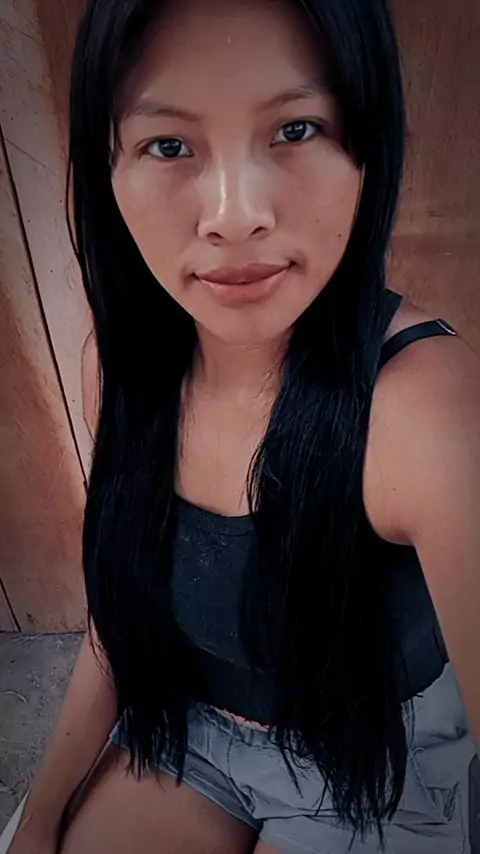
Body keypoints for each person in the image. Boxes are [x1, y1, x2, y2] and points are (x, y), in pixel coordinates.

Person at [8, 0, 480, 852]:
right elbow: (120, 618)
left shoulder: (423, 404)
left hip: (384, 768)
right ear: (107, 166)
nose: (233, 215)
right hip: (194, 730)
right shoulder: (118, 369)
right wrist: (39, 819)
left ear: (367, 145)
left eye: (296, 129)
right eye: (169, 144)